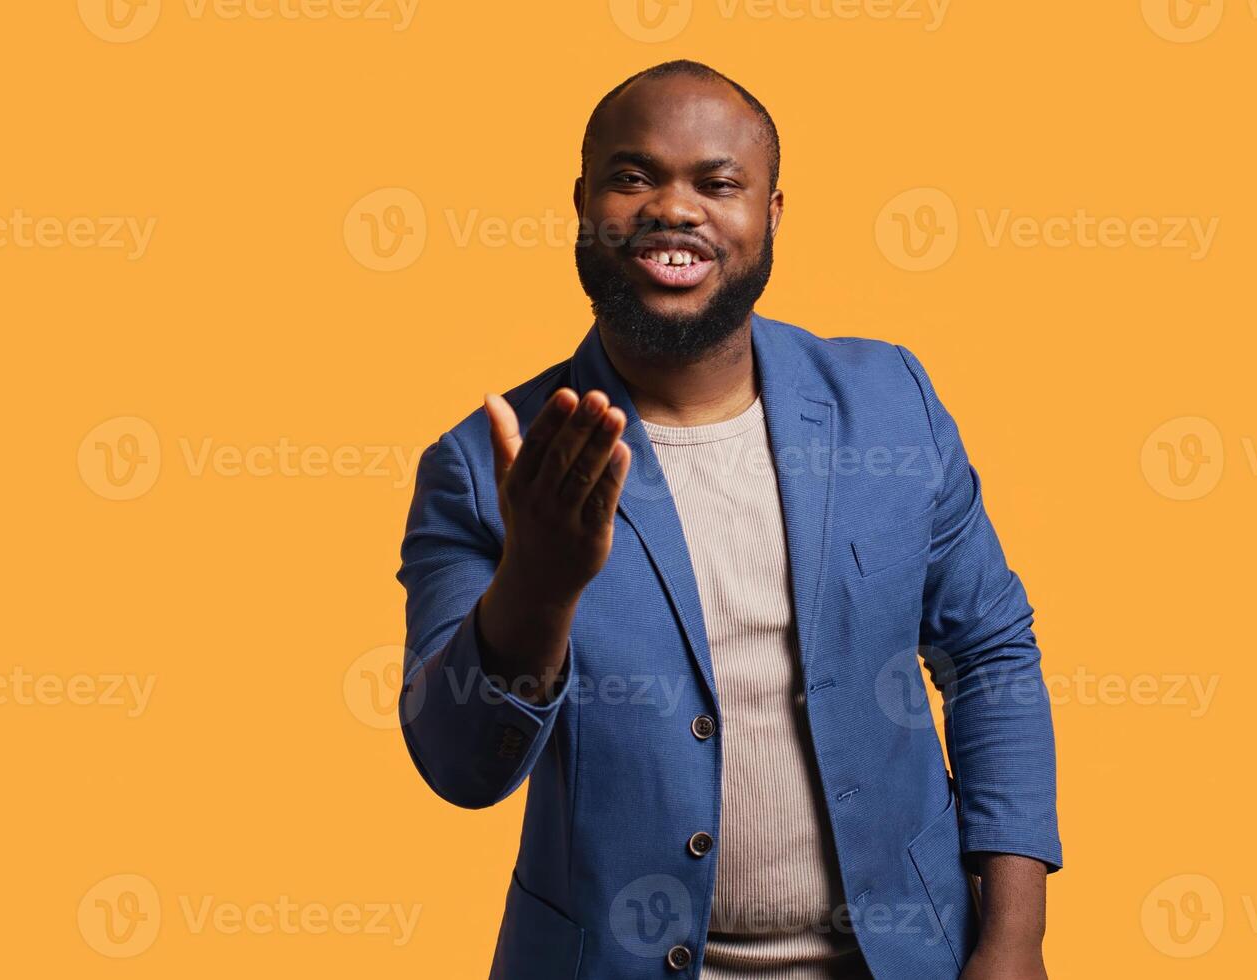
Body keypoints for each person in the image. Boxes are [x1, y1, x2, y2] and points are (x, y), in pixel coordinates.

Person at [395, 59, 1061, 979]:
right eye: (634, 178)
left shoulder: (889, 405)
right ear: (582, 203)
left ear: (771, 215)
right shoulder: (488, 465)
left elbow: (990, 656)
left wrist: (1015, 938)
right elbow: (460, 768)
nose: (675, 208)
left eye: (718, 183)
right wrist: (536, 592)